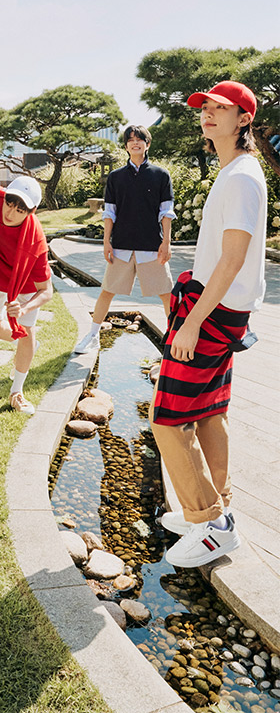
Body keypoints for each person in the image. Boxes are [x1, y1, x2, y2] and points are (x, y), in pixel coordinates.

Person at [150, 81, 267, 568]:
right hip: (216, 308)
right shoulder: (234, 171)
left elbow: (234, 259)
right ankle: (216, 509)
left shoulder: (241, 177)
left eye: (223, 108)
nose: (210, 114)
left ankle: (210, 523)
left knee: (168, 417)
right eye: (206, 107)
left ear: (244, 119)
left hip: (212, 314)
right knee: (208, 412)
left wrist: (193, 323)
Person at [74, 125, 175, 354]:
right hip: (121, 246)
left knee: (167, 294)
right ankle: (92, 335)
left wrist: (166, 242)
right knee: (107, 291)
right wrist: (106, 241)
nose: (135, 143)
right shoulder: (116, 177)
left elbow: (166, 212)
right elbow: (109, 213)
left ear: (147, 144)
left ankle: (173, 337)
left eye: (139, 139)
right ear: (126, 145)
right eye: (130, 140)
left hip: (152, 246)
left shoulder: (161, 175)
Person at [0, 175, 53, 415]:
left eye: (20, 209)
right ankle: (25, 344)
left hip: (25, 285)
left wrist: (24, 309)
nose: (11, 212)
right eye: (10, 203)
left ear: (31, 212)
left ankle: (17, 391)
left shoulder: (36, 241)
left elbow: (46, 291)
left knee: (27, 330)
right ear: (4, 195)